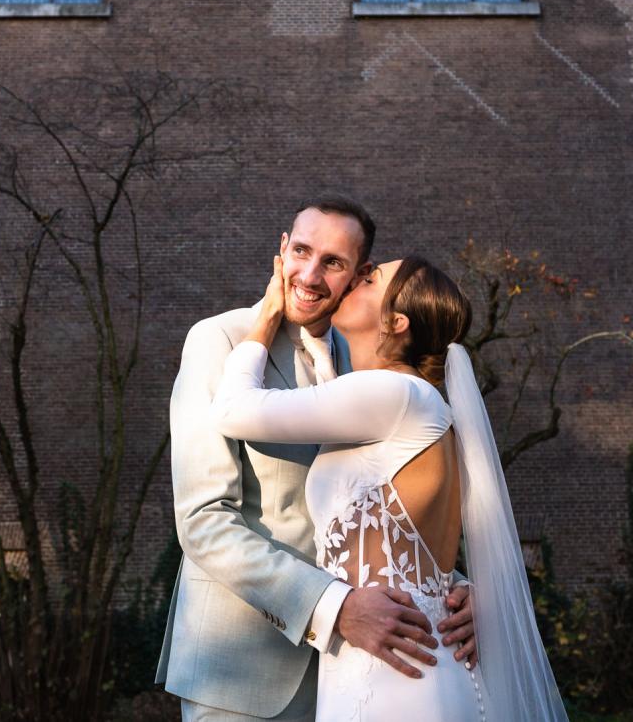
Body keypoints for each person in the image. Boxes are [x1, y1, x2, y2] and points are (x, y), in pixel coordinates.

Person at [208, 253, 570, 722]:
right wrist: (460, 586)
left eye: (370, 279)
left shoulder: (393, 393)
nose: (356, 278)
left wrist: (268, 316)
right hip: (414, 654)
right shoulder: (419, 402)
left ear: (396, 322)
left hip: (394, 675)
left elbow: (232, 410)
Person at [156, 198, 478, 722]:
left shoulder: (372, 360)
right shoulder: (221, 340)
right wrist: (335, 606)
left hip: (364, 668)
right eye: (302, 251)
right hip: (245, 671)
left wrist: (451, 590)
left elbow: (381, 507)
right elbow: (203, 521)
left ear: (357, 276)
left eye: (333, 262)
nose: (309, 275)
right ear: (282, 248)